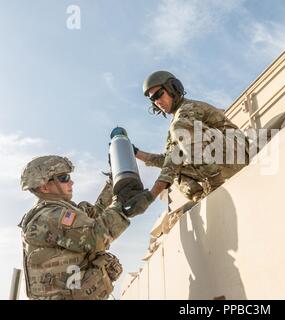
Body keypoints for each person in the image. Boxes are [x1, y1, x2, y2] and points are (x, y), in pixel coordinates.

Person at [19, 155, 146, 300]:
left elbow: (96, 213)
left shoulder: (59, 211)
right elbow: (95, 236)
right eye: (63, 178)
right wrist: (121, 205)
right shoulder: (50, 217)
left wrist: (114, 181)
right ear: (44, 187)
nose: (71, 182)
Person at [132, 70, 248, 206]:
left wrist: (152, 194)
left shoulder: (187, 110)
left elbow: (180, 134)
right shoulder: (177, 127)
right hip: (224, 164)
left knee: (178, 132)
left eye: (159, 95)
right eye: (153, 99)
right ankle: (199, 197)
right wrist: (136, 153)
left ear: (172, 89)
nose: (157, 102)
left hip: (238, 153)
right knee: (173, 168)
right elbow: (169, 162)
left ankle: (214, 183)